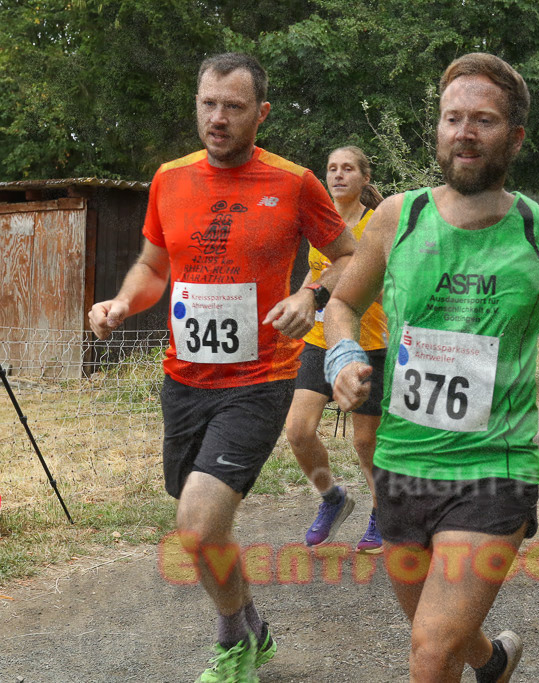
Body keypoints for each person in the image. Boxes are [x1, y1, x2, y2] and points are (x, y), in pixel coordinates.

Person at [323, 53, 539, 683]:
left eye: (482, 120)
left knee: (430, 652)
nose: (464, 132)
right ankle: (492, 662)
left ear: (513, 137)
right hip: (400, 466)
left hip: (494, 469)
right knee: (442, 639)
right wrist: (343, 354)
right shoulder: (397, 218)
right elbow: (344, 304)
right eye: (452, 118)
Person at [87, 53, 356, 681]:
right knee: (197, 523)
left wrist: (310, 294)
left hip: (259, 379)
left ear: (260, 113)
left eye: (234, 107)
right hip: (183, 379)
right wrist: (124, 301)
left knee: (199, 523)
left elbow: (349, 254)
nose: (218, 117)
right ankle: (253, 624)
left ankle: (234, 643)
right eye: (208, 103)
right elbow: (154, 268)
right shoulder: (169, 179)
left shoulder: (293, 183)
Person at [285, 146, 386, 552]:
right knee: (298, 429)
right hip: (321, 341)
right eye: (332, 168)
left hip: (370, 342)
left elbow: (388, 281)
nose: (338, 175)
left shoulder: (379, 224)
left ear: (364, 178)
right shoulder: (320, 221)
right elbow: (316, 276)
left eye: (348, 169)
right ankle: (332, 498)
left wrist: (348, 293)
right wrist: (298, 301)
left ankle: (382, 513)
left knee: (366, 442)